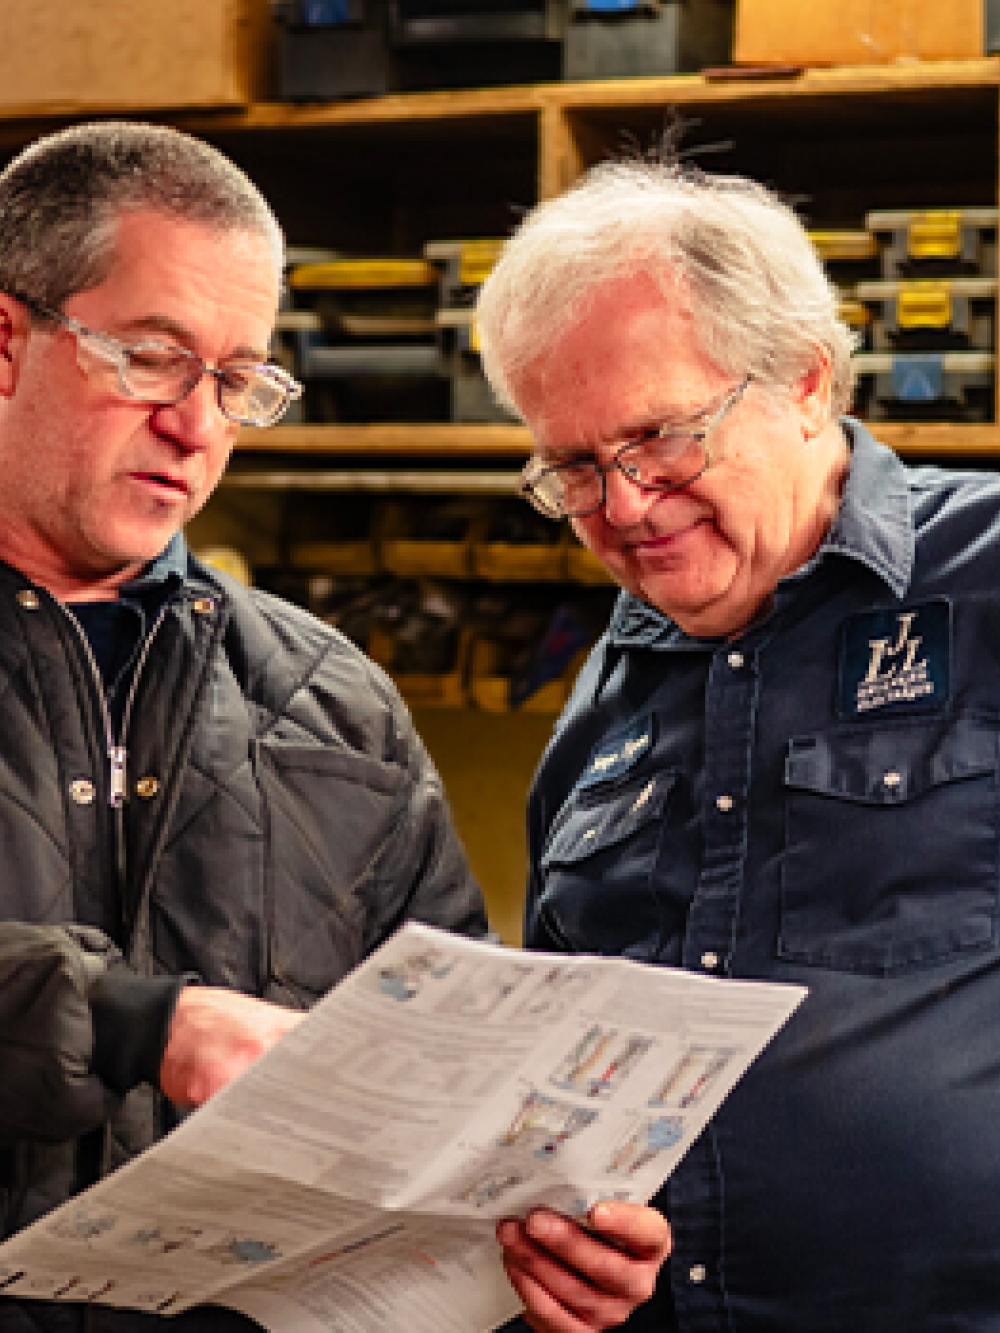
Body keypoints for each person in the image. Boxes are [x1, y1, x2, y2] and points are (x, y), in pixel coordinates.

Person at [0, 121, 670, 1333]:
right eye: (152, 359)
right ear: (6, 342)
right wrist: (135, 1023)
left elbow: (450, 1093)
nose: (196, 427)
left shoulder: (326, 697)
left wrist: (548, 1237)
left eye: (235, 380)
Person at [475, 156, 1000, 1331]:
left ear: (806, 381)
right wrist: (556, 1239)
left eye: (660, 437)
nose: (619, 507)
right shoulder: (600, 702)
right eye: (570, 466)